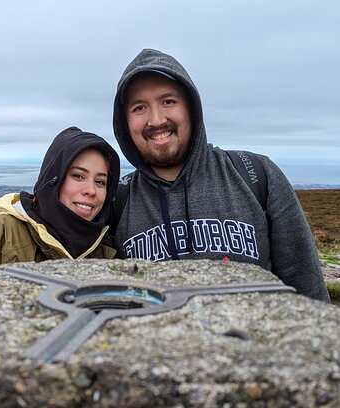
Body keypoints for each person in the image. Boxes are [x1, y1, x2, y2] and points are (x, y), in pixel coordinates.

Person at [108, 48, 329, 302]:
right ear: (124, 123)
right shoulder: (117, 200)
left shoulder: (257, 175)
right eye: (139, 108)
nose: (157, 120)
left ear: (191, 108)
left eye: (168, 101)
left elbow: (308, 293)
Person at [0, 126, 120, 264]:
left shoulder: (103, 250)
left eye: (100, 182)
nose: (91, 190)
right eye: (78, 176)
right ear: (53, 179)